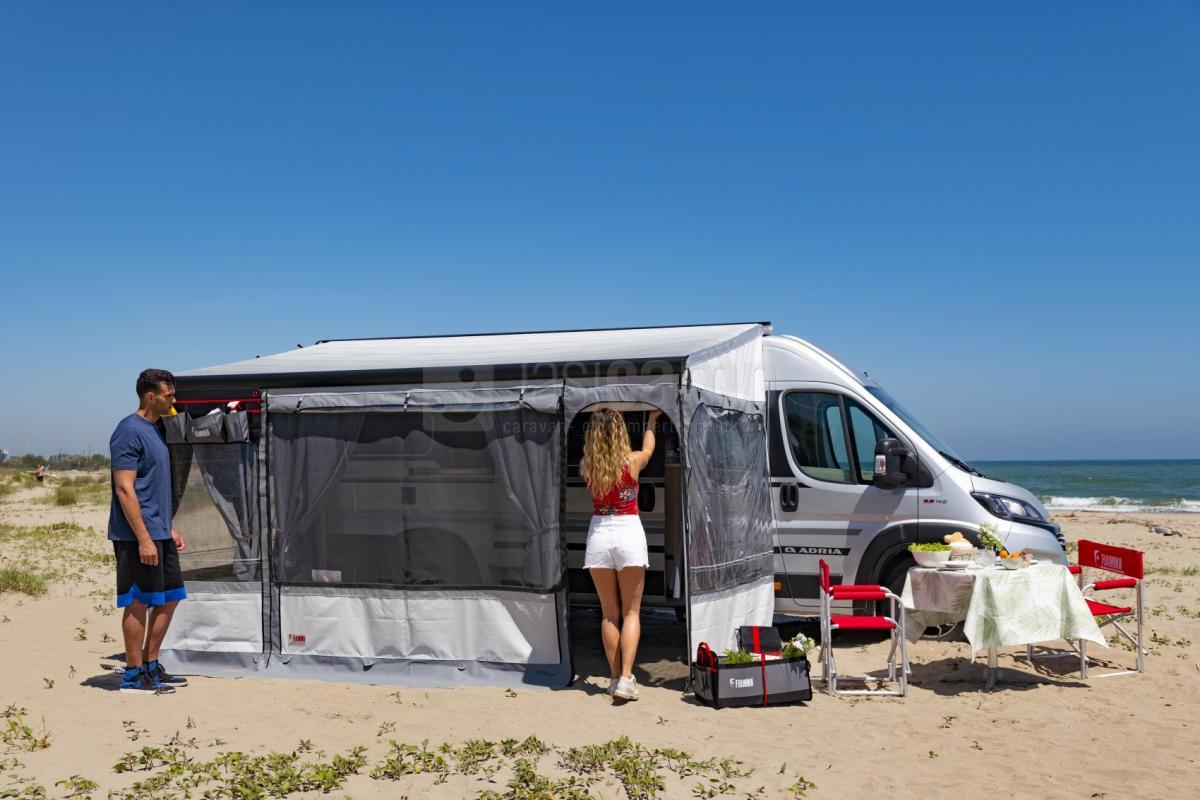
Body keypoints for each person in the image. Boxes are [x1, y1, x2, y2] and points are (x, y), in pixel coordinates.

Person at [108, 368, 188, 694]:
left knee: (170, 598)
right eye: (169, 395)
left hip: (159, 532)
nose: (173, 400)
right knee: (138, 601)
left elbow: (152, 487)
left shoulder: (156, 430)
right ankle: (133, 674)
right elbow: (124, 489)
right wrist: (143, 537)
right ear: (150, 396)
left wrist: (168, 527)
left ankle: (150, 664)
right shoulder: (128, 431)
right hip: (135, 535)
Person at [581, 407, 661, 702]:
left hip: (599, 534)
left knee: (609, 614)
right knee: (631, 612)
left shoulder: (588, 464)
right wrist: (651, 421)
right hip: (628, 531)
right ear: (619, 432)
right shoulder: (632, 461)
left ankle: (614, 678)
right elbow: (649, 449)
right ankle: (627, 678)